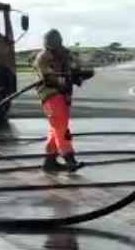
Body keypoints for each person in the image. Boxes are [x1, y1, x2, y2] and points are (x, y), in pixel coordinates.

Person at [33, 29, 94, 172]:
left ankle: (50, 162)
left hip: (63, 96)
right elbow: (49, 78)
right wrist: (69, 77)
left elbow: (74, 67)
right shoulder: (42, 58)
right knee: (61, 129)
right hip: (50, 96)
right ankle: (69, 159)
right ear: (48, 44)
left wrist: (80, 74)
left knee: (57, 129)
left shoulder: (64, 54)